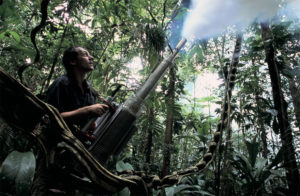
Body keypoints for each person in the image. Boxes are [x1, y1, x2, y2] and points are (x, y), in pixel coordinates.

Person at [31, 46, 108, 195]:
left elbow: (85, 122)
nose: (91, 57)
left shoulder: (89, 91)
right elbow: (48, 118)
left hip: (75, 153)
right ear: (73, 61)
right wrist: (86, 110)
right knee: (46, 189)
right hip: (53, 151)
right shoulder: (61, 84)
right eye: (85, 55)